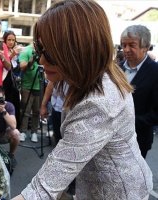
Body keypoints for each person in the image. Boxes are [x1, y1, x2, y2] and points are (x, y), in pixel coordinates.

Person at [13, 0, 152, 199]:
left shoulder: (99, 102)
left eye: (51, 53)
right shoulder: (86, 75)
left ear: (81, 50)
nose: (42, 60)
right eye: (39, 48)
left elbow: (42, 189)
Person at [118, 25, 158, 158]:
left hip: (138, 140)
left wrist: (128, 122)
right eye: (124, 45)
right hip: (111, 139)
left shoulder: (155, 72)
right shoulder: (116, 69)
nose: (126, 49)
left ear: (145, 47)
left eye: (132, 45)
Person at [19, 44, 41, 143]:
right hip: (27, 86)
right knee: (25, 110)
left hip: (39, 85)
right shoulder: (26, 50)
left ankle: (34, 132)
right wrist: (32, 59)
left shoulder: (45, 50)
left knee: (37, 111)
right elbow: (22, 67)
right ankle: (23, 131)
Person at [2, 30, 22, 129]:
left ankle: (14, 127)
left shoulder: (15, 52)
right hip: (5, 84)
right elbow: (5, 65)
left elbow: (17, 68)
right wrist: (12, 55)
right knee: (6, 105)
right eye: (9, 39)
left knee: (15, 106)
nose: (11, 42)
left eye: (13, 40)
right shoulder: (3, 50)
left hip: (14, 85)